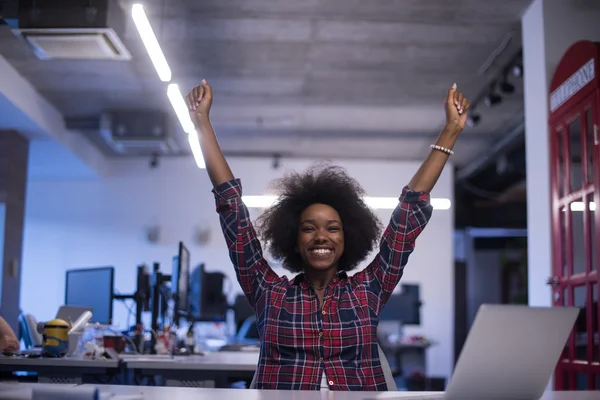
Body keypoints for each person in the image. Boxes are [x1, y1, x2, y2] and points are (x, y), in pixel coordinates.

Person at [185, 81, 470, 391]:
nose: (321, 236)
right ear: (294, 240)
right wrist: (202, 122)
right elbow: (232, 212)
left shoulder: (368, 290)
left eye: (332, 228)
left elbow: (408, 216)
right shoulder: (267, 292)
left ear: (347, 238)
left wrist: (451, 131)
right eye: (309, 228)